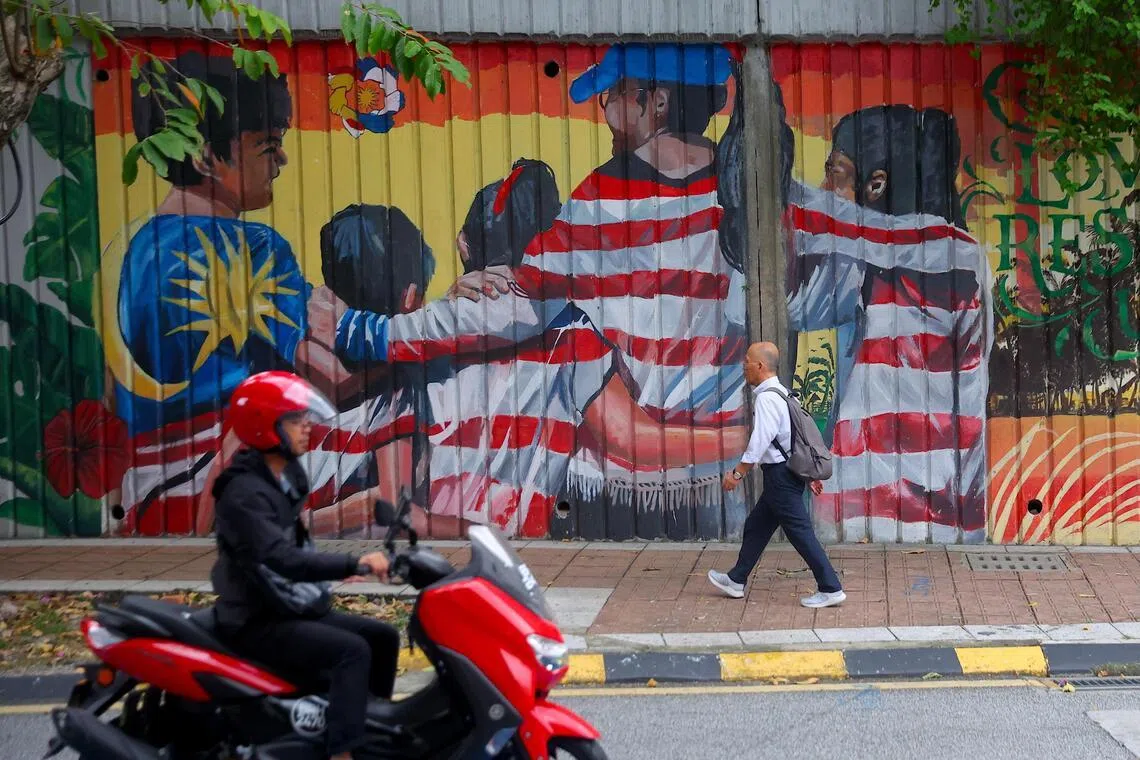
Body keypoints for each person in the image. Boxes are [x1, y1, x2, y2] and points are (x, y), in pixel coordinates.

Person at [210, 370, 398, 760]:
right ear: (265, 427)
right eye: (295, 420)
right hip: (256, 618)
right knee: (352, 651)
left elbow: (295, 548)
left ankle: (367, 727)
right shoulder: (243, 491)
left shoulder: (283, 476)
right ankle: (342, 753)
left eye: (304, 418)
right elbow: (281, 558)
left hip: (285, 604)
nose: (307, 426)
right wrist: (354, 562)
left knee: (384, 637)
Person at [707, 342, 845, 608]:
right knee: (756, 526)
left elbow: (762, 440)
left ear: (760, 366)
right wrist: (807, 475)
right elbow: (796, 438)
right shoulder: (783, 393)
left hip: (781, 477)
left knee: (800, 533)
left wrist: (738, 472)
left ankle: (831, 588)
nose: (744, 366)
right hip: (784, 474)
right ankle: (736, 580)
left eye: (747, 361)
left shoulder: (768, 398)